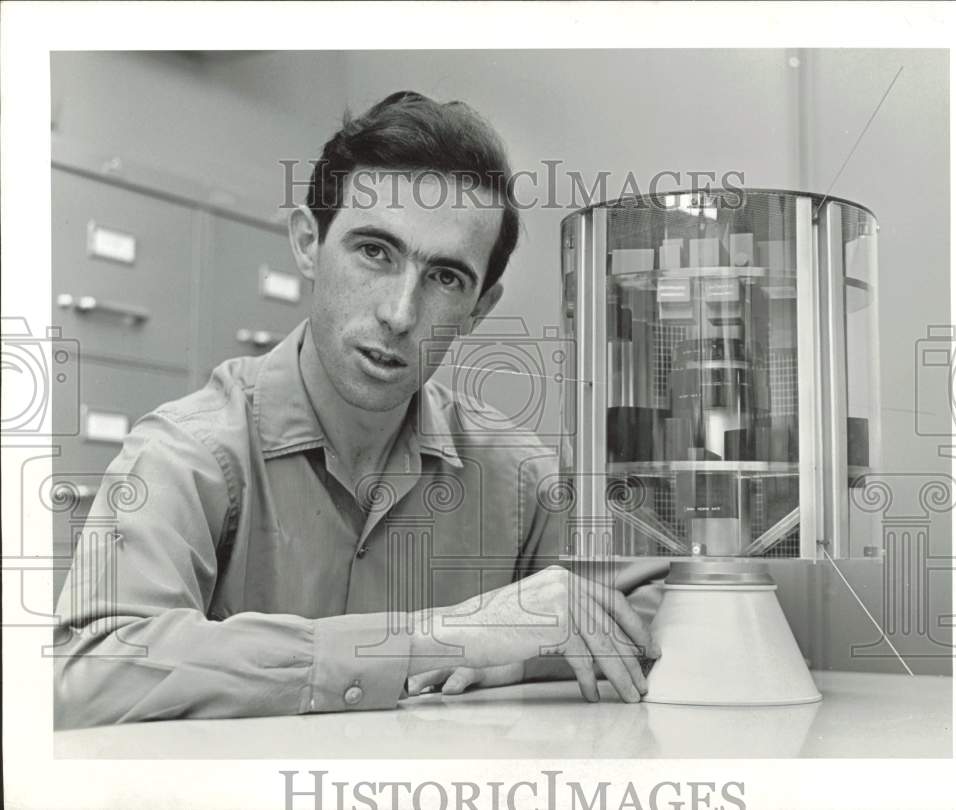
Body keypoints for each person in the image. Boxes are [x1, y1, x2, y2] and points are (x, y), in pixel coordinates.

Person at [53, 91, 659, 729]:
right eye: (375, 252)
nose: (399, 314)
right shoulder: (188, 452)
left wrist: (519, 656)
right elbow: (82, 675)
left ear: (479, 308)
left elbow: (651, 617)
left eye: (446, 277)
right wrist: (442, 638)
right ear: (308, 243)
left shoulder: (520, 479)